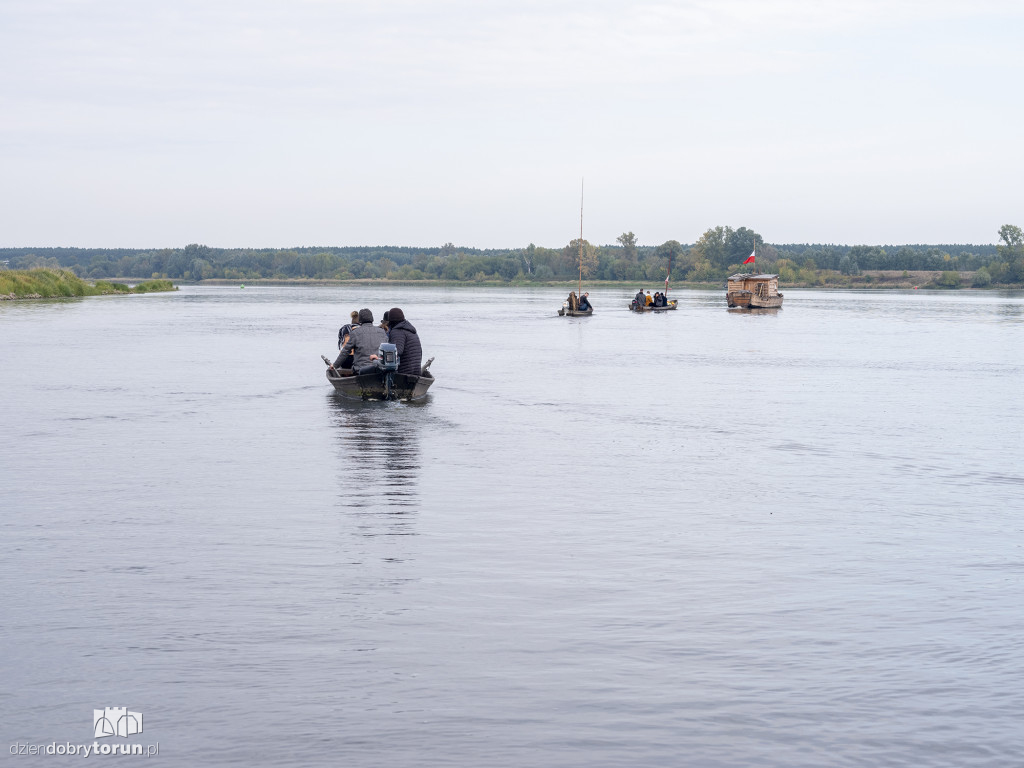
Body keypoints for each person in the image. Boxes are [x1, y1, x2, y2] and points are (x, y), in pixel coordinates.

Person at [334, 308, 388, 375]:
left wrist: (334, 366)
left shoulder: (355, 333)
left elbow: (345, 352)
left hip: (360, 369)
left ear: (360, 320)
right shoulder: (382, 332)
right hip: (379, 368)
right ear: (372, 319)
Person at [382, 307, 422, 376]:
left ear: (390, 320)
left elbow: (396, 352)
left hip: (404, 374)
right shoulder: (410, 330)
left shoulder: (397, 331)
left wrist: (379, 358)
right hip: (416, 371)